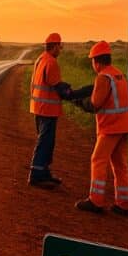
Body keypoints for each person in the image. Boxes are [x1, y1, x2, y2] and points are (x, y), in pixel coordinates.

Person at [74, 40, 128, 215]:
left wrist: (80, 103)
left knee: (98, 160)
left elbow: (95, 104)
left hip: (111, 127)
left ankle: (96, 201)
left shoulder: (102, 77)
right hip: (124, 125)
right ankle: (123, 204)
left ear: (96, 61)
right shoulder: (117, 74)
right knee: (120, 165)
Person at [28, 32, 72, 188]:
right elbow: (57, 86)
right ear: (54, 47)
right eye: (60, 46)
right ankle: (36, 175)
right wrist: (72, 94)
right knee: (45, 142)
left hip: (38, 108)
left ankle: (44, 172)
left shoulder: (40, 59)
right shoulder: (51, 62)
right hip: (48, 109)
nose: (60, 49)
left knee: (47, 142)